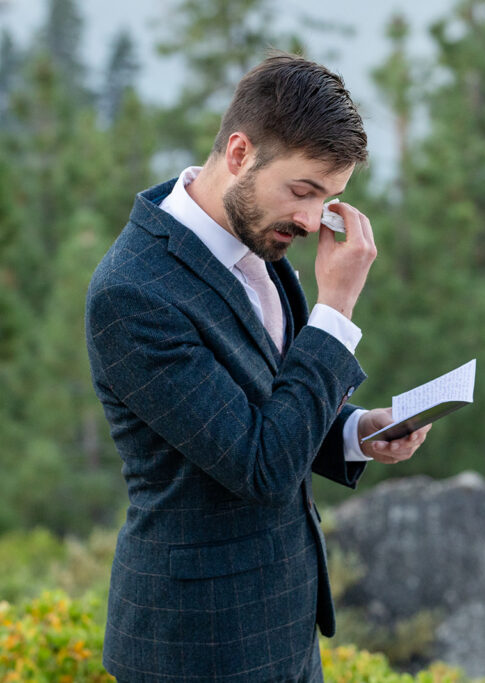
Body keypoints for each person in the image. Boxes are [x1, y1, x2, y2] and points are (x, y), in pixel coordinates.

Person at [85, 53, 431, 682]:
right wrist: (337, 308)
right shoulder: (134, 293)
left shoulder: (258, 239)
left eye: (329, 199)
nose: (310, 220)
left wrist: (358, 432)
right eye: (303, 191)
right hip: (196, 645)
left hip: (285, 627)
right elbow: (259, 463)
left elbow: (269, 404)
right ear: (240, 153)